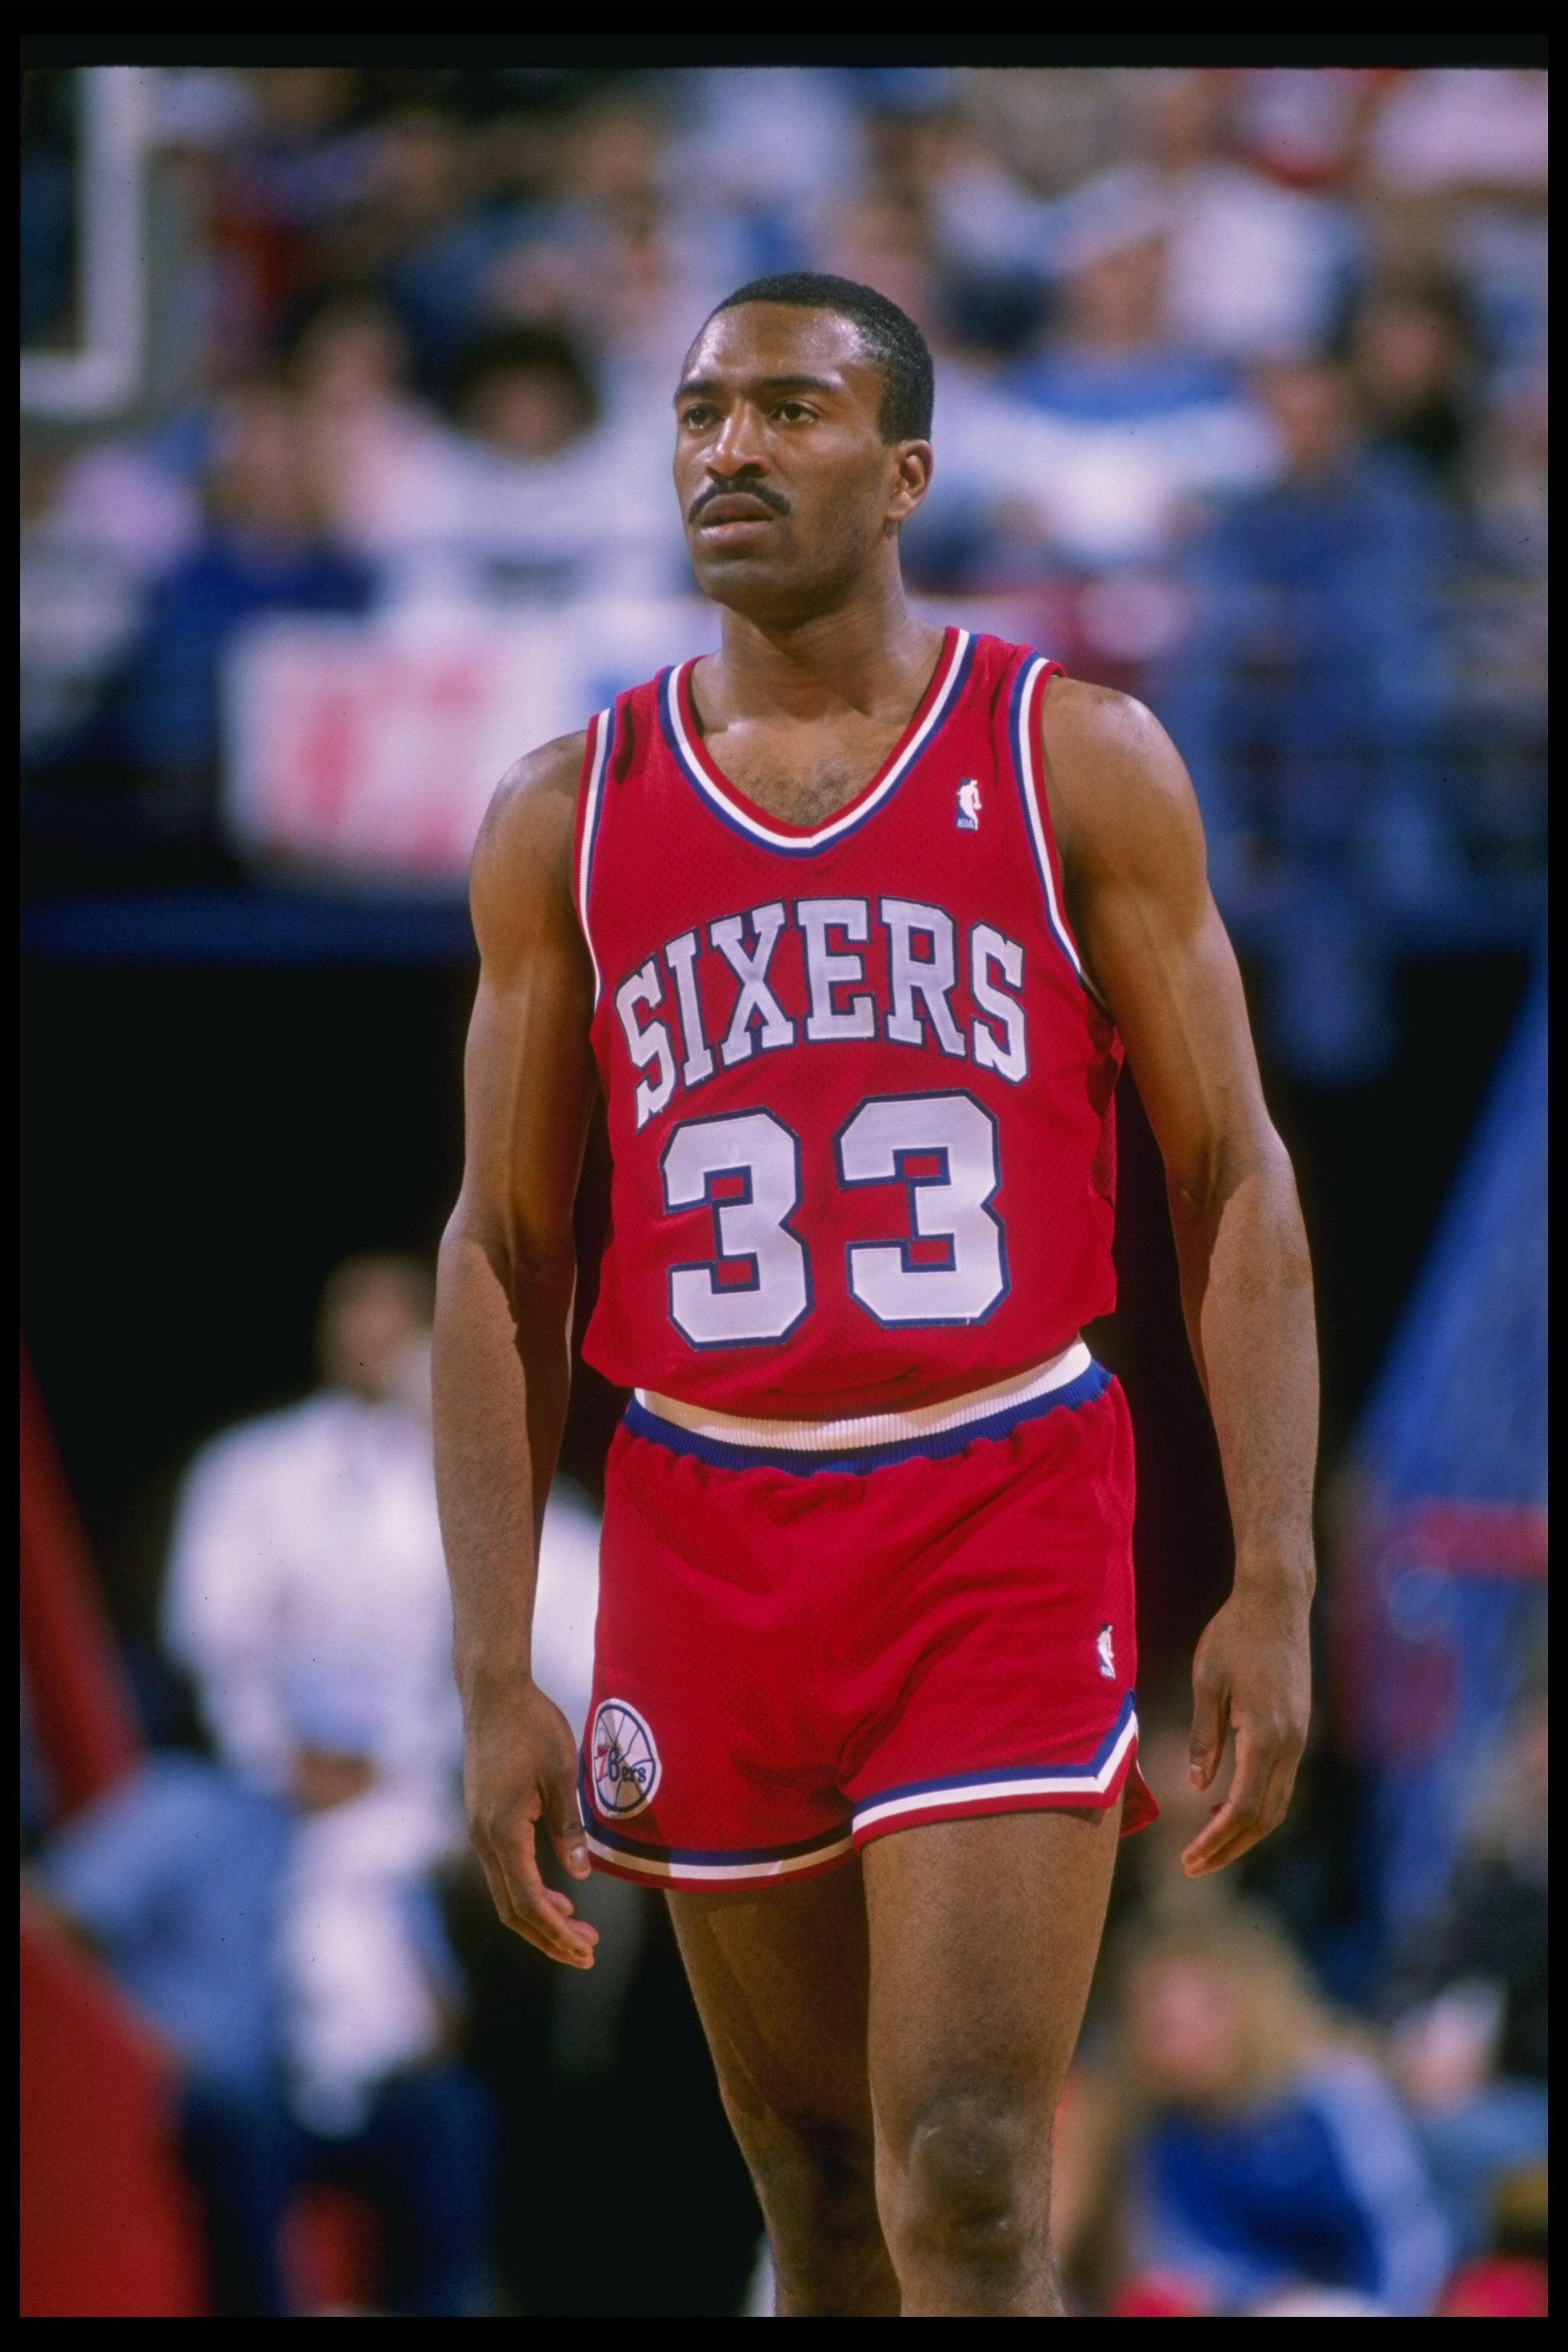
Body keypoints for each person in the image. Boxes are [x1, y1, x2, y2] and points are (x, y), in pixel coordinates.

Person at [433, 270, 1317, 2318]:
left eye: (790, 409)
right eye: (699, 413)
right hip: (701, 1518)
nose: (729, 449)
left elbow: (1231, 1172)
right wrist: (492, 1666)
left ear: (907, 470)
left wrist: (1270, 1565)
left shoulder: (1075, 757)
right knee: (821, 2201)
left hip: (996, 1495)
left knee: (974, 2175)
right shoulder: (568, 814)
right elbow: (500, 1251)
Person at [1054, 1904, 1450, 2316]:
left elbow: (1402, 2228)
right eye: (1163, 2023)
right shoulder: (1163, 2132)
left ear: (1253, 2003)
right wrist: (1263, 2296)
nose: (1187, 2039)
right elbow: (1181, 2254)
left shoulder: (1334, 2092)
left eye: (1206, 2010)